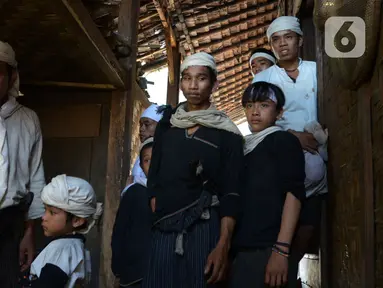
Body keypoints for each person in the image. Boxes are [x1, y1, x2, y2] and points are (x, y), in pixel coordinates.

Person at [142, 52, 244, 288]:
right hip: (164, 227)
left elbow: (232, 192)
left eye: (201, 78)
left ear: (214, 84)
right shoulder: (168, 125)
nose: (193, 86)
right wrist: (155, 200)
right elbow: (154, 174)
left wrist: (223, 245)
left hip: (204, 227)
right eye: (187, 78)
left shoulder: (226, 134)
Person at [252, 15, 328, 276]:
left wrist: (315, 137)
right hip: (281, 153)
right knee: (282, 216)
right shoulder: (264, 78)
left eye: (288, 37)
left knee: (308, 221)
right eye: (275, 39)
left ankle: (289, 269)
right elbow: (259, 119)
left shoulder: (317, 70)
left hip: (316, 152)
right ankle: (277, 266)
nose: (282, 44)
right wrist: (294, 136)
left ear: (300, 40)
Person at [230, 82, 305, 287]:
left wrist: (281, 249)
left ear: (279, 113)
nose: (255, 112)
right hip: (243, 250)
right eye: (249, 105)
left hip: (269, 249)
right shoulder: (243, 147)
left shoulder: (282, 141)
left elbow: (294, 194)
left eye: (264, 105)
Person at [0, 41, 46, 287]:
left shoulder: (28, 120)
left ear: (11, 76)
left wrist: (29, 232)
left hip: (10, 225)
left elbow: (35, 178)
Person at [29, 175, 103, 287]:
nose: (44, 217)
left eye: (52, 212)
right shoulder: (75, 245)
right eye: (45, 210)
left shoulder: (62, 250)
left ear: (77, 220)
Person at [112, 137, 154, 288]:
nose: (153, 164)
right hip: (134, 274)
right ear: (141, 166)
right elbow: (119, 231)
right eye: (147, 160)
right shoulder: (134, 193)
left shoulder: (172, 194)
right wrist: (118, 270)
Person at [126, 103, 163, 188]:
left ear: (160, 126)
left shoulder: (165, 152)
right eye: (141, 125)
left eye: (147, 124)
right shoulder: (142, 152)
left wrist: (129, 188)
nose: (141, 129)